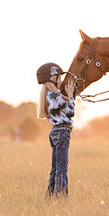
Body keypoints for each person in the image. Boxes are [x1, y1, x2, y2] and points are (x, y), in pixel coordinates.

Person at [36, 62, 75, 198]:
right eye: (59, 78)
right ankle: (61, 198)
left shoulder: (47, 97)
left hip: (54, 133)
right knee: (62, 169)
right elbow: (70, 112)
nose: (60, 81)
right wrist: (70, 96)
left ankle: (50, 196)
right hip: (63, 132)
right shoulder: (56, 97)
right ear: (53, 79)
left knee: (55, 168)